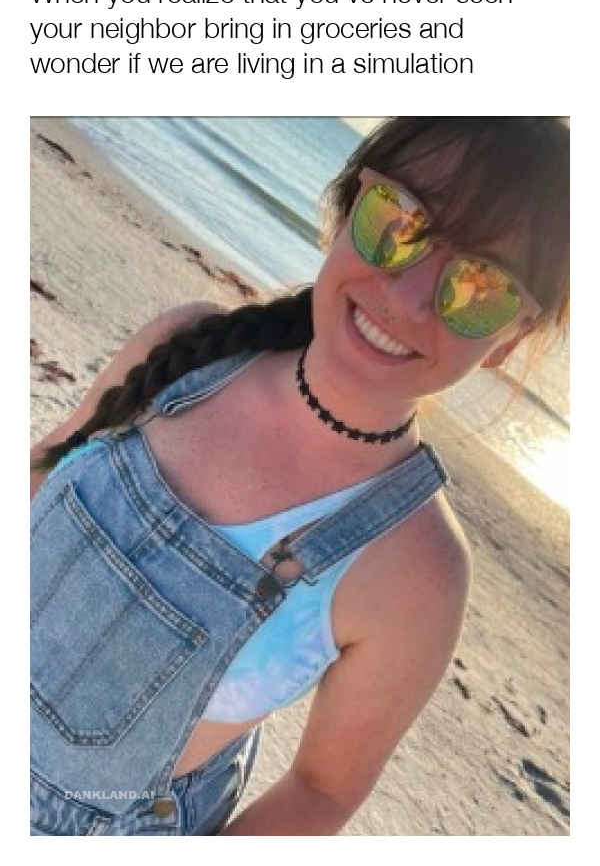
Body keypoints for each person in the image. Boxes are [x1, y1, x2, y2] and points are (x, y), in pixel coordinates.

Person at [30, 116, 570, 836]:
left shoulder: (416, 569)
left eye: (481, 286)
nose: (410, 297)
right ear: (346, 211)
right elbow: (45, 464)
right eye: (399, 222)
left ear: (507, 340)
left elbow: (321, 790)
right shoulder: (187, 351)